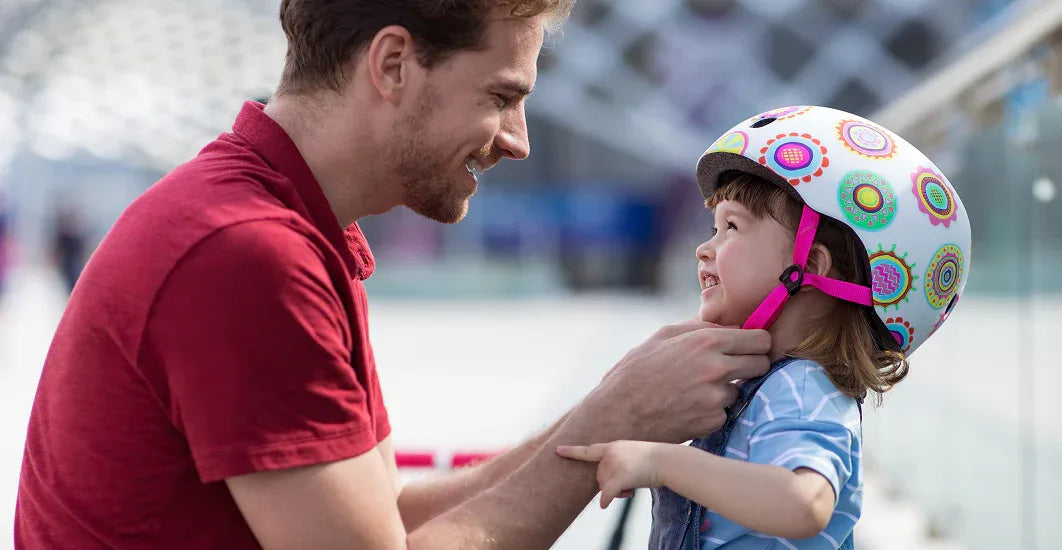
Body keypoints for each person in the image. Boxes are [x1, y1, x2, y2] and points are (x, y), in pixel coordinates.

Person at [15, 2, 774, 549]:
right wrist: (616, 424)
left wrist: (610, 410)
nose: (518, 142)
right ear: (392, 64)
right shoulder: (247, 254)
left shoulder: (284, 224)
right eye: (501, 97)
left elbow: (388, 520)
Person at [558, 105, 972, 549]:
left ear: (810, 265)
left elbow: (803, 502)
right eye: (713, 228)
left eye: (731, 226)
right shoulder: (768, 386)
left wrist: (661, 463)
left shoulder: (802, 388)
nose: (703, 248)